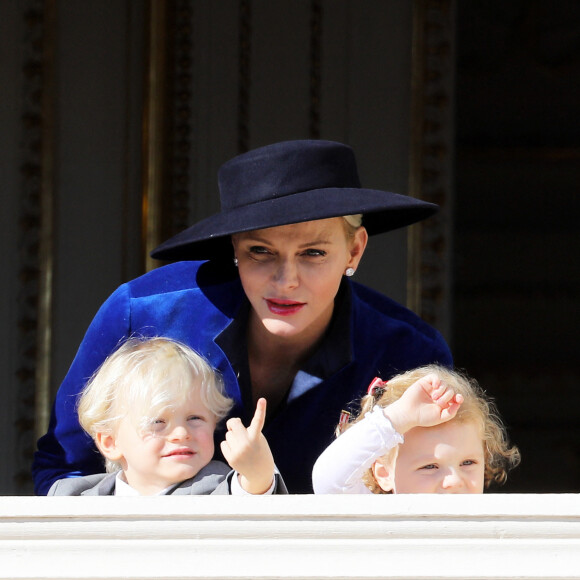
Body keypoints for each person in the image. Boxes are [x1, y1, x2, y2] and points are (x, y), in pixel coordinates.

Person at [33, 139, 453, 495]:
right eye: (261, 252)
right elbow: (65, 464)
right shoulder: (143, 312)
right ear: (235, 248)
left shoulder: (408, 350)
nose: (286, 280)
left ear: (355, 250)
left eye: (313, 253)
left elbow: (433, 488)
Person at [48, 337, 286, 496]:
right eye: (158, 422)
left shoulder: (216, 485)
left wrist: (257, 474)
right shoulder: (73, 497)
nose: (181, 434)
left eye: (194, 418)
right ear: (110, 442)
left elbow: (244, 498)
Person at [312, 365, 520, 494]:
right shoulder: (380, 521)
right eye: (430, 466)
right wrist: (398, 417)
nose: (454, 481)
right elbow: (329, 482)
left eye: (468, 462)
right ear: (384, 473)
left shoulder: (489, 525)